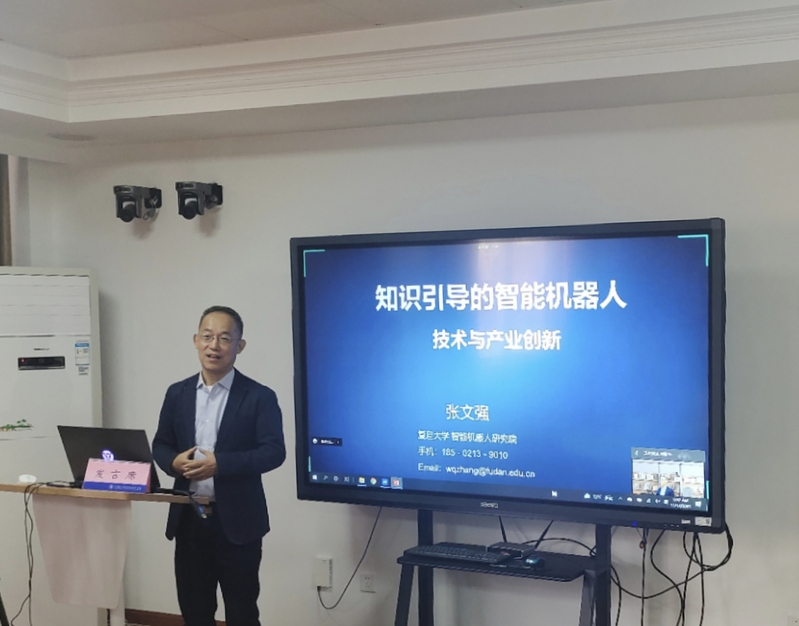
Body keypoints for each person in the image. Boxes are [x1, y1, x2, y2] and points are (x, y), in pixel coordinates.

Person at [153, 306, 285, 626]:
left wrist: (220, 464)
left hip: (239, 523)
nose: (214, 345)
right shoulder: (177, 393)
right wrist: (173, 462)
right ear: (195, 341)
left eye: (225, 338)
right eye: (207, 336)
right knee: (195, 611)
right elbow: (161, 445)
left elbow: (273, 452)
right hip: (189, 519)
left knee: (242, 612)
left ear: (239, 346)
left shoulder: (259, 396)